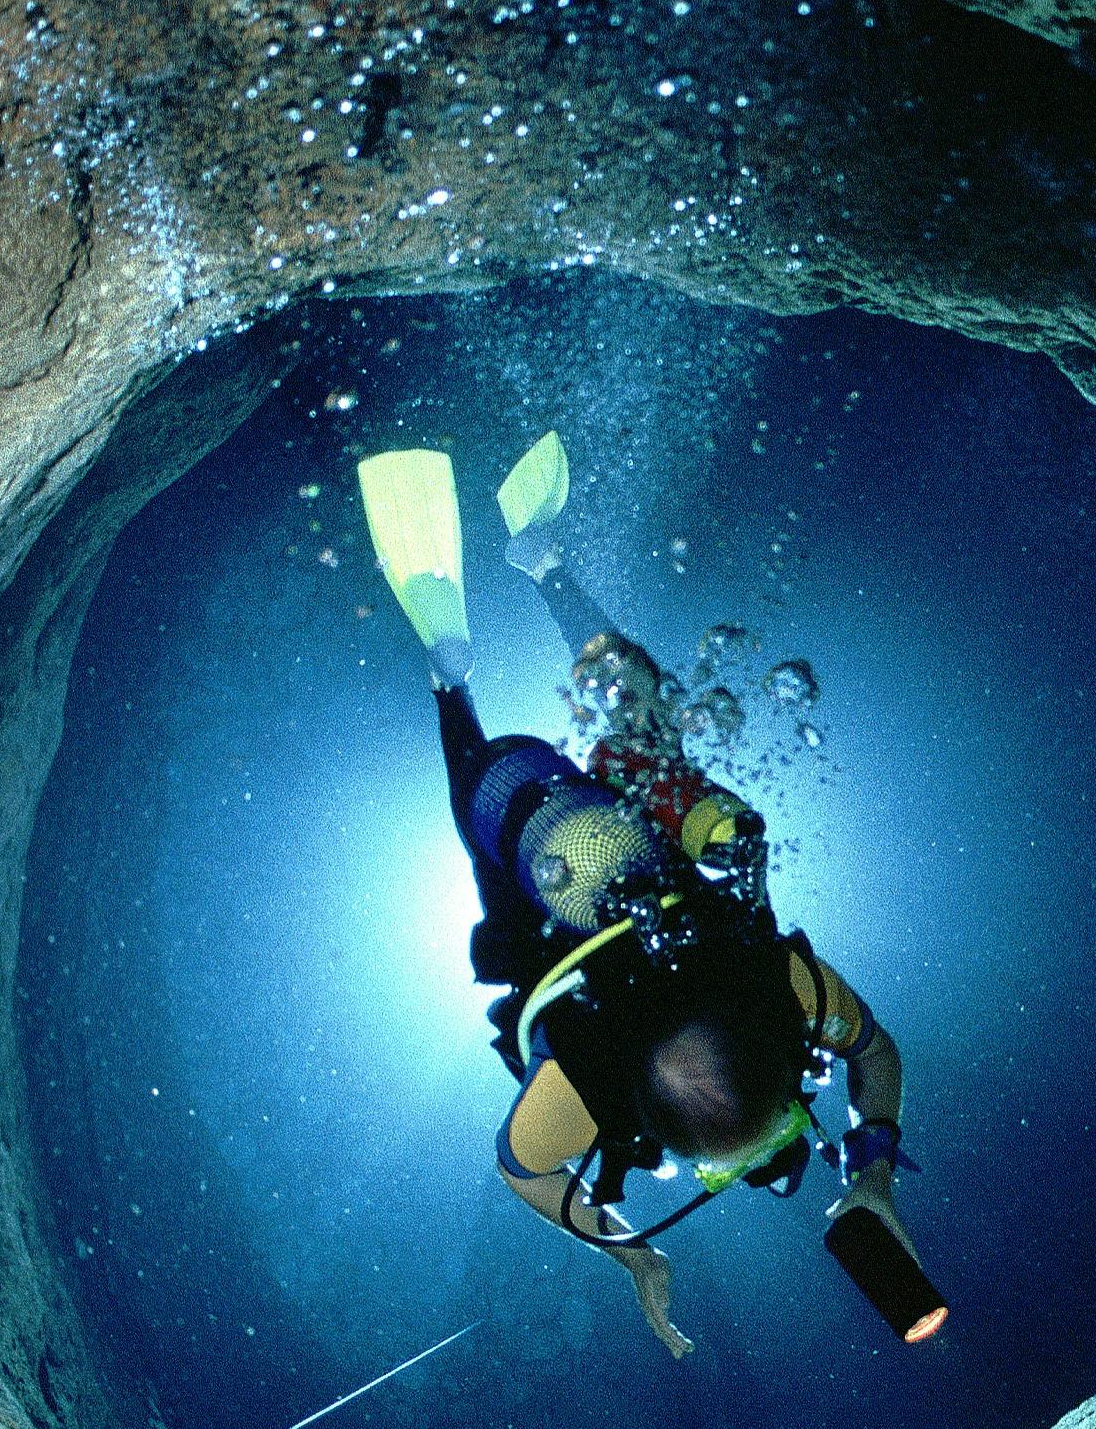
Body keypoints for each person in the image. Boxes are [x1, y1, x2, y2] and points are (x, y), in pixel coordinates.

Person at [358, 436, 934, 1357]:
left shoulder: (779, 994)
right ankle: (452, 673)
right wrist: (631, 1251)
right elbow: (525, 1173)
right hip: (548, 853)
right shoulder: (598, 1082)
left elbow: (874, 1048)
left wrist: (869, 1171)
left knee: (638, 725)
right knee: (492, 810)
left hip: (601, 858)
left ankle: (526, 586)